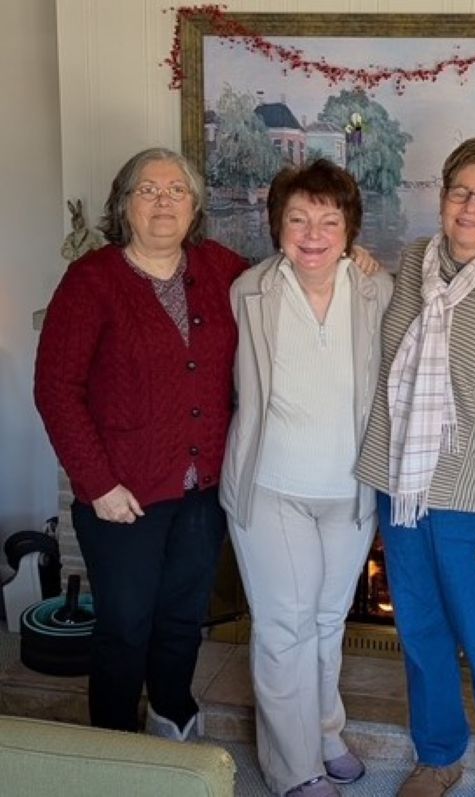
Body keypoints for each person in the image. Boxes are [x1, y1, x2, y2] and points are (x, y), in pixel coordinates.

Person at [356, 138, 475, 797]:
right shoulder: (412, 263)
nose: (470, 206)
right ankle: (438, 757)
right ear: (442, 199)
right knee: (423, 638)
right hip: (405, 495)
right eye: (459, 192)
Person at [34, 147, 248, 738]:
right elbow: (56, 390)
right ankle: (113, 742)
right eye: (147, 189)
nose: (163, 200)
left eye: (176, 190)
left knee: (182, 619)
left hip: (202, 491)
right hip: (120, 495)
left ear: (195, 205)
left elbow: (289, 273)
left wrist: (353, 261)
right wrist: (96, 483)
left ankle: (171, 718)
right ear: (124, 205)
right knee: (125, 624)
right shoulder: (91, 281)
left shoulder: (222, 269)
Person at [219, 159, 393, 797]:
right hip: (271, 488)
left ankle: (324, 730)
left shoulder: (381, 290)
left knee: (325, 622)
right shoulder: (250, 292)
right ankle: (293, 768)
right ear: (277, 227)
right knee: (283, 627)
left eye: (329, 219)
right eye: (299, 218)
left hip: (350, 492)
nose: (313, 233)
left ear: (349, 230)